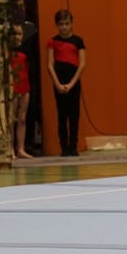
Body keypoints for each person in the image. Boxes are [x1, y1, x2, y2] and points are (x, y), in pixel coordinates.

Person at [46, 9, 85, 157]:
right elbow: (50, 64)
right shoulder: (52, 41)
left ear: (71, 23)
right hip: (59, 80)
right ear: (57, 25)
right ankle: (64, 147)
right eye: (61, 24)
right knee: (61, 116)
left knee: (74, 115)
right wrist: (57, 84)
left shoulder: (78, 41)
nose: (64, 27)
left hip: (73, 81)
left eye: (67, 23)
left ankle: (73, 146)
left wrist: (71, 83)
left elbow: (82, 64)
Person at [9, 26, 34, 159]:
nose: (17, 37)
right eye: (14, 34)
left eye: (19, 34)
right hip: (12, 86)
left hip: (24, 85)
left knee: (22, 118)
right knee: (11, 118)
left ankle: (21, 149)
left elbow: (28, 68)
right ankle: (11, 149)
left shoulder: (26, 49)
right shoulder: (7, 50)